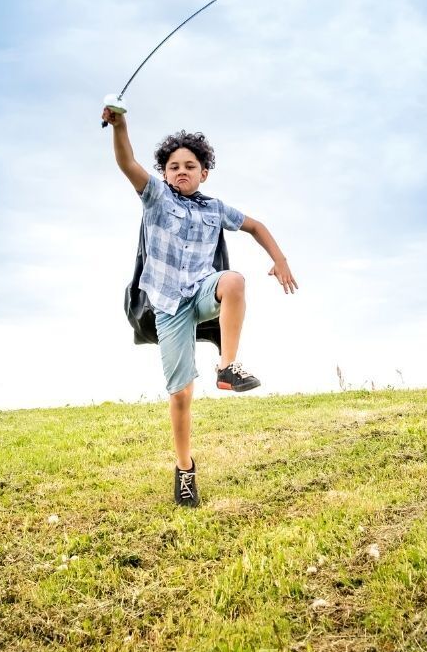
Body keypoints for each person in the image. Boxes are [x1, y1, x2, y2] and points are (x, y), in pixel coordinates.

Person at [103, 106, 298, 507]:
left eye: (190, 166)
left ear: (203, 172)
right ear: (164, 172)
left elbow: (256, 226)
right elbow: (126, 162)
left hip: (202, 290)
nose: (181, 171)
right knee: (181, 395)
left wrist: (279, 259)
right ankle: (185, 468)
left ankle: (227, 367)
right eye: (173, 166)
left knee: (234, 280)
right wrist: (120, 126)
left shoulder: (214, 209)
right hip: (168, 306)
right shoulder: (156, 197)